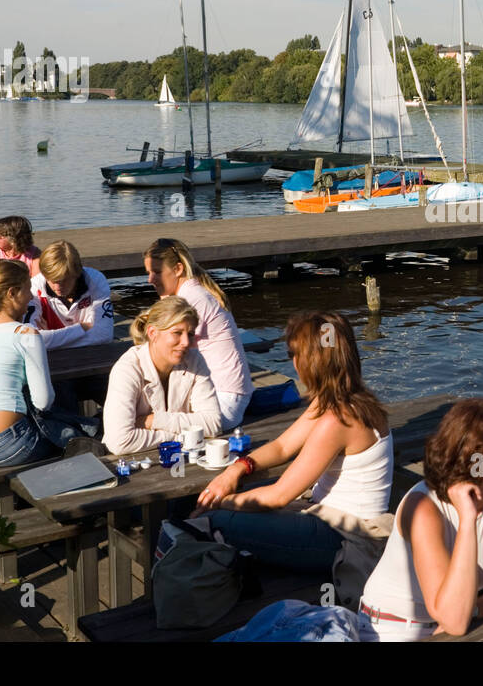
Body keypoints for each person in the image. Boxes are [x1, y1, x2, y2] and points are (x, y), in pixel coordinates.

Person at [194, 311, 393, 574]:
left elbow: (279, 496)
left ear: (310, 362)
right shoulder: (347, 401)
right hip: (331, 517)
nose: (293, 363)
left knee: (209, 520)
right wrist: (238, 468)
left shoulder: (338, 420)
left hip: (343, 537)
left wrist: (219, 501)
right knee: (218, 503)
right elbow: (282, 447)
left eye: (294, 355)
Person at [358, 398, 483, 640]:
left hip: (458, 623)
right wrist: (468, 518)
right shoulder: (423, 508)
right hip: (393, 628)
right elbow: (454, 621)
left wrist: (473, 609)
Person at [0, 259, 94, 466]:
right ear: (12, 293)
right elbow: (43, 401)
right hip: (8, 444)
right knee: (78, 444)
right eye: (28, 289)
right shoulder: (24, 334)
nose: (31, 296)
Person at [144, 238, 252, 428]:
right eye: (149, 273)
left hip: (223, 401)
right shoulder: (190, 294)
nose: (150, 279)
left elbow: (162, 353)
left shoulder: (193, 299)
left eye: (157, 272)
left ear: (178, 269)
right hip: (217, 393)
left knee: (148, 422)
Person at [103, 295, 226, 455]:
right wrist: (182, 435)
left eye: (189, 334)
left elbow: (214, 423)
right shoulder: (127, 370)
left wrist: (154, 420)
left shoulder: (194, 360)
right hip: (133, 463)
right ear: (153, 333)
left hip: (180, 458)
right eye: (177, 333)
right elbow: (119, 442)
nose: (186, 342)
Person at [24, 240, 114, 350]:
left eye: (64, 280)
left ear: (77, 272)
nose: (57, 287)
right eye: (52, 280)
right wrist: (82, 328)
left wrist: (50, 335)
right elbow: (29, 341)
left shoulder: (96, 280)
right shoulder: (34, 287)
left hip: (92, 354)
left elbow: (104, 334)